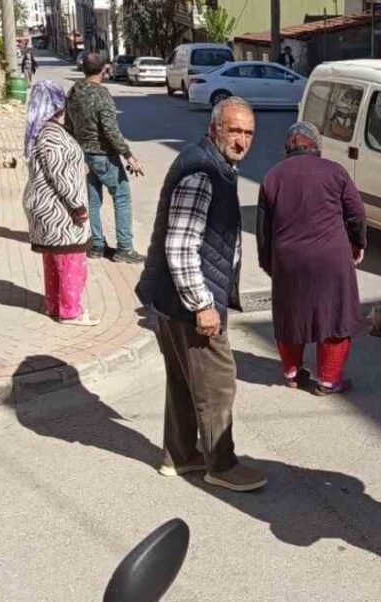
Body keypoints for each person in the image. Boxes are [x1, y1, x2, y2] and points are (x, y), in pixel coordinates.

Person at [136, 96, 267, 492]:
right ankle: (221, 465)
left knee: (183, 380)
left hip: (171, 298)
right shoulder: (202, 172)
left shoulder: (213, 165)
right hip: (190, 302)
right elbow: (180, 245)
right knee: (217, 381)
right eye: (234, 131)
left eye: (248, 133)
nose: (242, 140)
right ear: (214, 129)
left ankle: (179, 455)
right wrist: (203, 304)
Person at [257, 122, 367, 395]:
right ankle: (328, 380)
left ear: (287, 147)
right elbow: (356, 213)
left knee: (290, 315)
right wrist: (358, 243)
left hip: (289, 259)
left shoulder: (272, 177)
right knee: (335, 316)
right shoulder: (335, 172)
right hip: (331, 258)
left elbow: (263, 230)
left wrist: (269, 264)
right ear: (317, 146)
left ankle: (292, 372)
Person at [24, 81, 99, 327]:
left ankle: (55, 305)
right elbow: (60, 176)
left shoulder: (43, 131)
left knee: (54, 261)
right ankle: (71, 311)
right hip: (61, 211)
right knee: (71, 261)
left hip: (48, 208)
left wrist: (80, 166)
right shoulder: (51, 135)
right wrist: (78, 206)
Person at [65, 51, 145, 263]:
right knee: (122, 197)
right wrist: (128, 155)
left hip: (83, 155)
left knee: (93, 200)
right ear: (103, 70)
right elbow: (110, 129)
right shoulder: (102, 95)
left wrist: (76, 154)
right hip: (104, 156)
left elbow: (68, 126)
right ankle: (124, 248)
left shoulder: (74, 91)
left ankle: (97, 246)